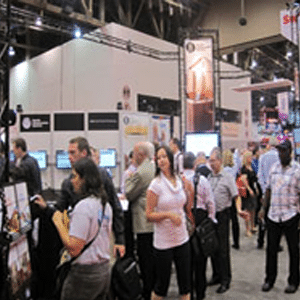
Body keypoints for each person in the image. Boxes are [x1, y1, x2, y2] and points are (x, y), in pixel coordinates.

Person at [35, 157, 113, 300]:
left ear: (85, 179)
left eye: (75, 176)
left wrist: (59, 223)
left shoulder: (83, 207)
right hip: (103, 271)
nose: (72, 180)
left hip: (84, 275)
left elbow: (74, 248)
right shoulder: (104, 205)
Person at [146, 145, 193, 300]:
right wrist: (168, 215)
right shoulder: (155, 185)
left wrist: (189, 192)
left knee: (185, 285)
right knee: (161, 287)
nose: (161, 160)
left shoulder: (179, 180)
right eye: (158, 158)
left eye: (164, 157)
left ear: (171, 159)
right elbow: (149, 215)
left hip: (182, 238)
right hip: (163, 242)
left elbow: (186, 207)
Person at [259, 139, 300, 294]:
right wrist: (263, 208)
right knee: (271, 250)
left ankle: (294, 281)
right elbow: (268, 189)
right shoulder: (274, 168)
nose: (281, 154)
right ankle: (269, 279)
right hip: (274, 215)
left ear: (290, 152)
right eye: (279, 151)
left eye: (283, 151)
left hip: (291, 215)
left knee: (293, 250)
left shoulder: (297, 170)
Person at [207, 147, 248, 294]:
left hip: (223, 215)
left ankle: (225, 279)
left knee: (223, 250)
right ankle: (216, 275)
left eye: (213, 161)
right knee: (212, 247)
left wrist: (238, 210)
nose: (211, 163)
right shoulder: (209, 177)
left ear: (220, 161)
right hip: (211, 217)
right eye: (209, 160)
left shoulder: (227, 177)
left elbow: (236, 196)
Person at [125, 141, 156, 300]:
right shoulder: (152, 167)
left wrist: (128, 179)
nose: (133, 156)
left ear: (141, 155)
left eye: (135, 153)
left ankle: (148, 292)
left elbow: (129, 192)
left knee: (146, 260)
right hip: (152, 222)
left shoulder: (142, 171)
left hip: (144, 223)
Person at [191, 166, 216, 300]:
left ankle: (188, 292)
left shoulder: (180, 180)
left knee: (187, 260)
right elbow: (210, 202)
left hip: (186, 220)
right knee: (201, 259)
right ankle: (200, 293)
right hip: (201, 218)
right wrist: (211, 221)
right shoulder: (203, 181)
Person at [257, 136, 279, 249]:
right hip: (276, 192)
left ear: (269, 145)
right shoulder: (279, 157)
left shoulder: (262, 157)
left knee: (263, 214)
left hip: (265, 191)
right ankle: (275, 243)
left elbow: (259, 175)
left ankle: (260, 240)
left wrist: (263, 189)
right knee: (274, 217)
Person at [239, 150, 261, 237]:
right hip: (248, 192)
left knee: (253, 209)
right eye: (249, 157)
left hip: (254, 189)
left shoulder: (251, 166)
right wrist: (249, 189)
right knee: (247, 210)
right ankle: (247, 229)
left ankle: (253, 226)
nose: (251, 158)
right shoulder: (244, 168)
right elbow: (244, 180)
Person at [222, 149, 240, 250]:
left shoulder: (223, 170)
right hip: (234, 194)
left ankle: (225, 241)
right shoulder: (234, 168)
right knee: (235, 219)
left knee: (225, 220)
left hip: (225, 195)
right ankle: (236, 241)